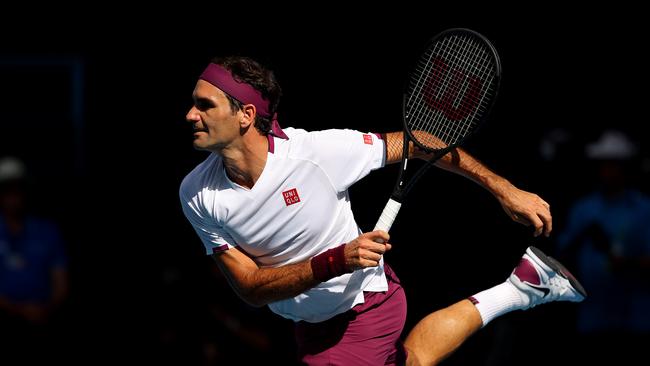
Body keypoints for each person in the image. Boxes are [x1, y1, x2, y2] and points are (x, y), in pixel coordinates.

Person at [179, 56, 586, 365]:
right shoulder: (197, 193)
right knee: (413, 360)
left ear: (246, 115)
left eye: (205, 105)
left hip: (364, 307)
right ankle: (521, 287)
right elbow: (250, 288)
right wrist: (339, 259)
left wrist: (504, 188)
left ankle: (520, 289)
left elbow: (419, 142)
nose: (190, 115)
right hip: (308, 323)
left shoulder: (318, 154)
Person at [556, 129, 650, 363]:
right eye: (604, 164)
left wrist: (626, 264)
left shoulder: (643, 208)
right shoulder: (584, 209)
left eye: (615, 164)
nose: (608, 171)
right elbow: (560, 255)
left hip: (634, 316)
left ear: (626, 167)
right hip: (592, 316)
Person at [0, 156, 69, 363]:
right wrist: (19, 311)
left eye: (17, 187)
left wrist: (46, 309)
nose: (13, 195)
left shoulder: (47, 231)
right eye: (7, 188)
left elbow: (61, 282)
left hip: (44, 322)